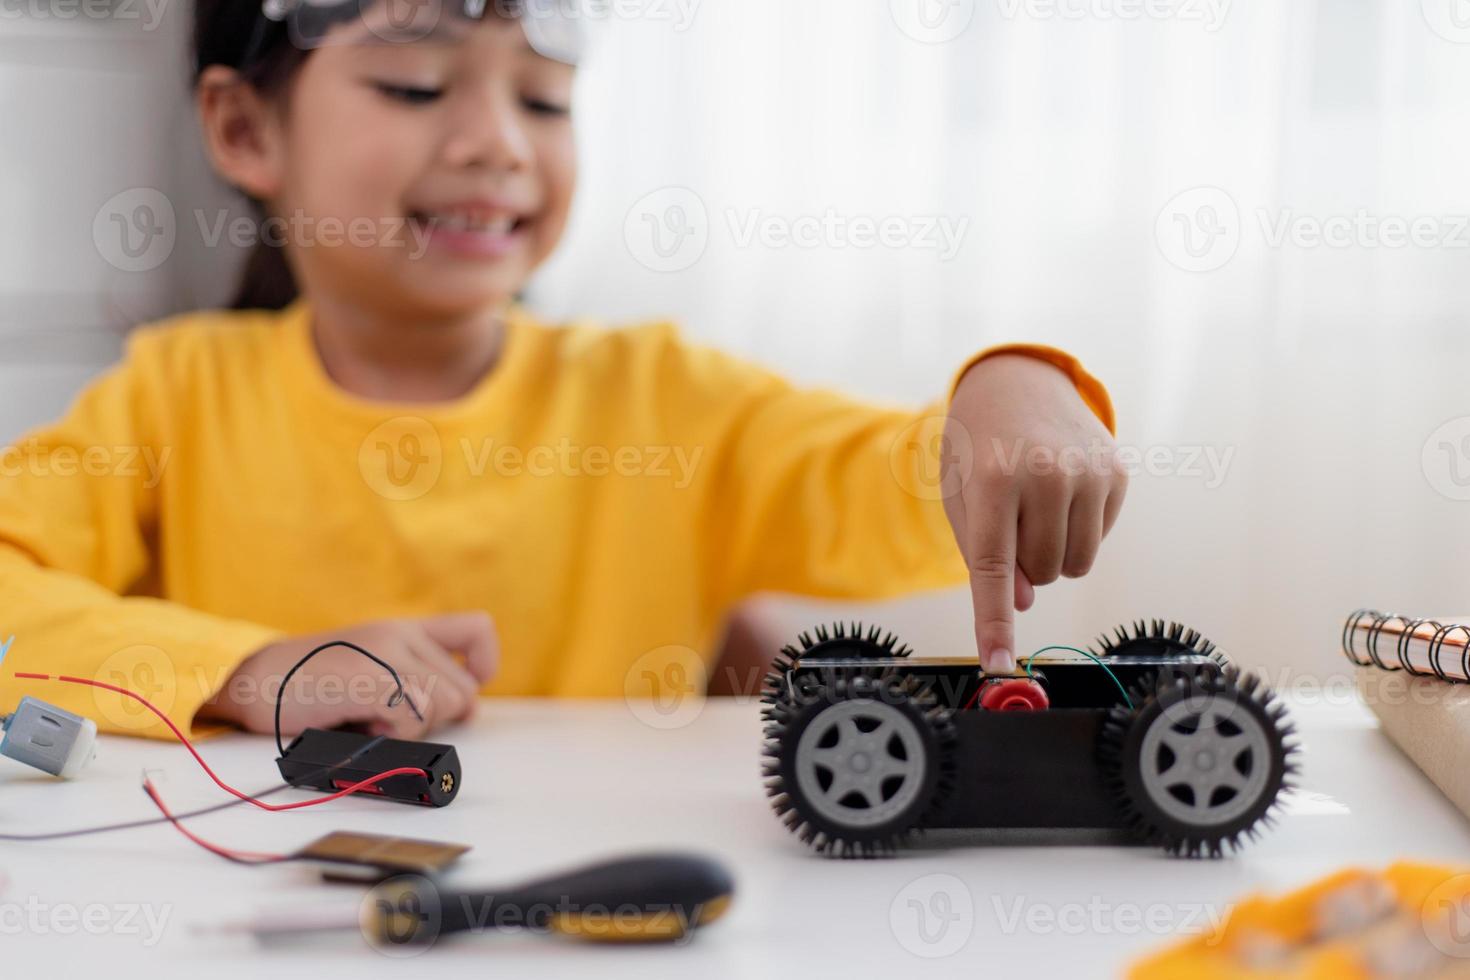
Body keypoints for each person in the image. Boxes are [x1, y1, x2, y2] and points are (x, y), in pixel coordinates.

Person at [0, 0, 1124, 741]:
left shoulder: (662, 397)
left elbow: (893, 476)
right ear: (246, 130)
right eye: (414, 86)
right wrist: (252, 669)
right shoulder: (175, 395)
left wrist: (1007, 388)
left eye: (543, 99)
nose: (500, 141)